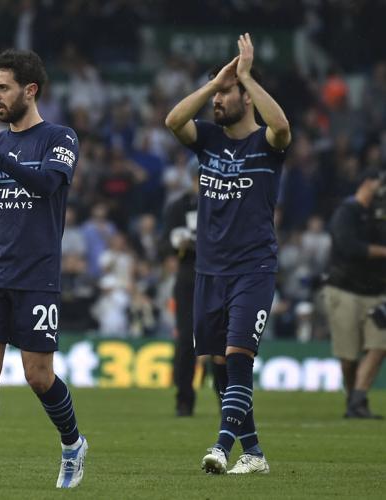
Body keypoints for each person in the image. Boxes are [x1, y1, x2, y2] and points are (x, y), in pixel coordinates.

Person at [0, 49, 87, 489]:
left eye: (3, 87)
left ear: (30, 90)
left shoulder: (60, 138)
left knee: (37, 375)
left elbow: (47, 184)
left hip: (36, 275)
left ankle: (72, 444)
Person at [165, 33, 291, 474]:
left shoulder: (266, 146)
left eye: (225, 95)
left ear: (247, 98)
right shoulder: (209, 140)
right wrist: (214, 82)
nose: (217, 101)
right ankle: (253, 453)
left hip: (252, 268)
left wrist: (247, 76)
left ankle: (220, 445)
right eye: (216, 95)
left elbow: (283, 127)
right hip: (209, 269)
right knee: (220, 365)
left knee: (238, 358)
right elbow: (173, 120)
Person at [323, 167, 386, 418]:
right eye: (379, 183)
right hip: (345, 290)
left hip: (378, 292)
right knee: (348, 357)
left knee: (380, 344)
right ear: (366, 183)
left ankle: (358, 400)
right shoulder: (346, 212)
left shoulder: (380, 214)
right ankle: (354, 399)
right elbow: (350, 248)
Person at [160, 160, 199, 416]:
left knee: (222, 342)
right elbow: (168, 245)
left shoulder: (226, 203)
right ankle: (183, 398)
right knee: (186, 339)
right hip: (190, 275)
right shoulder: (179, 206)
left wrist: (190, 243)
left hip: (219, 275)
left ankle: (227, 402)